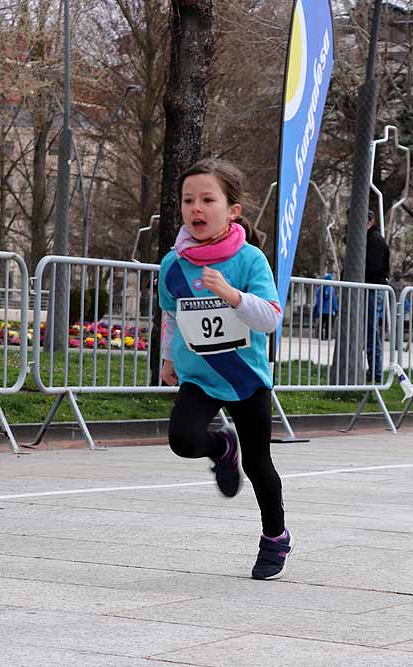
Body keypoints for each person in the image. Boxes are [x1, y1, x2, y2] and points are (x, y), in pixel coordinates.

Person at [158, 158, 291, 580]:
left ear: (232, 210)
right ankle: (221, 448)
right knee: (182, 439)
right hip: (199, 376)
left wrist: (232, 295)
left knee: (260, 467)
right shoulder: (172, 265)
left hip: (245, 377)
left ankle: (275, 537)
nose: (196, 208)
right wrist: (166, 358)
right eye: (187, 200)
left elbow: (270, 317)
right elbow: (169, 315)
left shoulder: (250, 260)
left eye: (207, 200)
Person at [364, 210, 390, 382]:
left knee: (371, 332)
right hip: (368, 289)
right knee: (368, 331)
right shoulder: (369, 239)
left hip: (372, 289)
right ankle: (373, 372)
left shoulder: (375, 241)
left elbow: (373, 267)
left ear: (371, 221)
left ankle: (376, 374)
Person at [312, 272, 339, 339]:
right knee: (328, 325)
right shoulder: (331, 289)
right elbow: (333, 300)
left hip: (321, 310)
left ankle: (320, 337)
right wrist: (336, 309)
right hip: (329, 311)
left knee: (321, 324)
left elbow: (318, 301)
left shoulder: (319, 289)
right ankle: (327, 337)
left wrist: (317, 309)